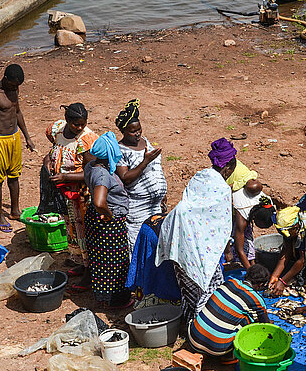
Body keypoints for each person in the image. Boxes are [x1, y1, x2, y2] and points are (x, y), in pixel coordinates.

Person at [155, 168, 232, 324]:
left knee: (189, 293)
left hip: (183, 260)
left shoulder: (181, 210)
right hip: (199, 260)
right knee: (207, 294)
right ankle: (204, 326)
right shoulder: (204, 210)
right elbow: (220, 230)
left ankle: (192, 322)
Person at [44, 103, 99, 282]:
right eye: (76, 124)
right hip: (65, 193)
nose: (80, 127)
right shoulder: (58, 130)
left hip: (82, 195)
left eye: (83, 124)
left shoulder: (86, 139)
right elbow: (54, 150)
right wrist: (48, 161)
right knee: (73, 229)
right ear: (67, 121)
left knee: (83, 231)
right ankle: (80, 262)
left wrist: (66, 178)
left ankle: (89, 271)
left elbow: (90, 171)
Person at [0, 64, 35, 232]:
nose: (15, 88)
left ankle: (14, 210)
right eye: (13, 85)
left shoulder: (14, 90)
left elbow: (17, 112)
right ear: (5, 79)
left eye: (17, 85)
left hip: (14, 138)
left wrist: (27, 136)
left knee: (14, 176)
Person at [83, 132, 132, 309]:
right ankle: (115, 300)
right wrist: (109, 215)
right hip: (107, 222)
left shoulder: (91, 165)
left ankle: (102, 296)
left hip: (95, 218)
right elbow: (99, 201)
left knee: (100, 258)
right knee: (115, 261)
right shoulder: (102, 174)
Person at [187, 263, 271, 364]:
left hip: (193, 337)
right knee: (249, 319)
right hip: (217, 348)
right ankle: (228, 356)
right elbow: (266, 325)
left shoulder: (230, 282)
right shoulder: (257, 300)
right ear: (261, 285)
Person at [114, 99, 168, 255]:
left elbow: (156, 169)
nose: (137, 133)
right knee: (139, 245)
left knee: (156, 243)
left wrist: (162, 193)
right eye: (132, 131)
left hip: (155, 206)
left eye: (139, 129)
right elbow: (126, 177)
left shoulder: (145, 142)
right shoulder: (120, 150)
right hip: (138, 208)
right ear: (123, 131)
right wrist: (145, 161)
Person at [208, 138, 270, 269]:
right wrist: (250, 272)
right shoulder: (242, 214)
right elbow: (239, 247)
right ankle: (236, 263)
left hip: (233, 209)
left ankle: (249, 263)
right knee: (233, 241)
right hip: (227, 213)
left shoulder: (264, 202)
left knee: (247, 240)